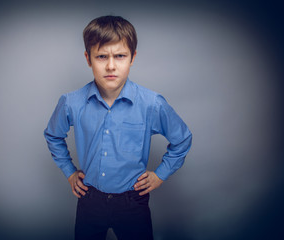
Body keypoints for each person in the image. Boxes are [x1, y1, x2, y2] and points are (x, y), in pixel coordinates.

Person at [44, 15, 192, 240]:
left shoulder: (152, 104)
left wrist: (160, 174)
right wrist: (70, 172)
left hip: (133, 202)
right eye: (102, 56)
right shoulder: (71, 102)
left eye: (120, 56)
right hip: (90, 200)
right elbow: (53, 136)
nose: (111, 65)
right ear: (88, 58)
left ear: (132, 57)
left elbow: (182, 139)